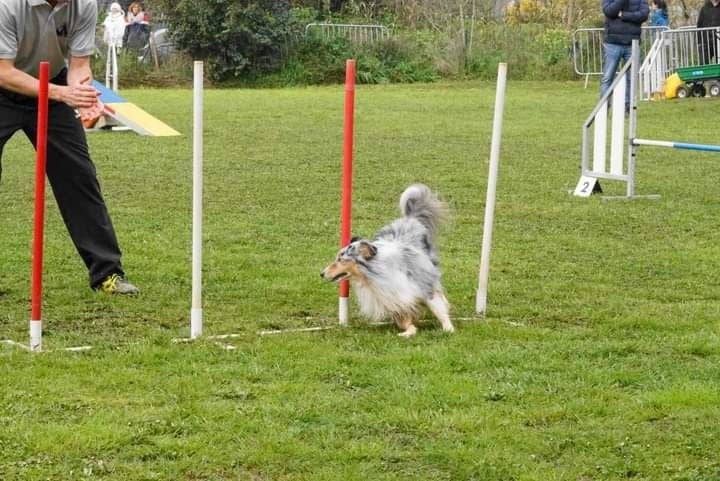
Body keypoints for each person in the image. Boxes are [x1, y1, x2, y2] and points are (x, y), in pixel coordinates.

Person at [0, 0, 139, 295]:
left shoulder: (83, 5)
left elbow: (79, 65)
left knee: (79, 177)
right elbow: (3, 71)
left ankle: (106, 274)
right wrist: (64, 93)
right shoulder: (8, 5)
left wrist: (85, 94)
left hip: (53, 87)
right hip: (5, 88)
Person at [600, 0, 649, 112]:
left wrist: (624, 15)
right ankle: (603, 107)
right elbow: (609, 11)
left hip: (632, 43)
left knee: (631, 78)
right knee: (607, 77)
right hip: (612, 43)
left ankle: (629, 107)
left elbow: (643, 15)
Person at [697, 0, 720, 64]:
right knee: (703, 65)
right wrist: (699, 42)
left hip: (718, 42)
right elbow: (699, 25)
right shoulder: (704, 8)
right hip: (705, 43)